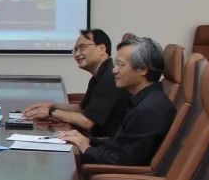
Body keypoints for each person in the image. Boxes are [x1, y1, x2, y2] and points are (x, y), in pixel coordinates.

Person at [59, 36, 176, 165]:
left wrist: (86, 148)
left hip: (119, 175)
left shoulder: (150, 109)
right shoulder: (143, 99)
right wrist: (88, 140)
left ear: (142, 69)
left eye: (120, 65)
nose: (114, 70)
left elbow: (125, 160)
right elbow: (121, 143)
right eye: (115, 64)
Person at [23, 29, 129, 136]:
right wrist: (52, 105)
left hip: (110, 143)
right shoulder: (99, 76)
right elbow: (82, 109)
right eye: (76, 49)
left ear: (101, 49)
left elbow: (87, 121)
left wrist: (50, 112)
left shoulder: (111, 77)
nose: (77, 54)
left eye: (82, 47)